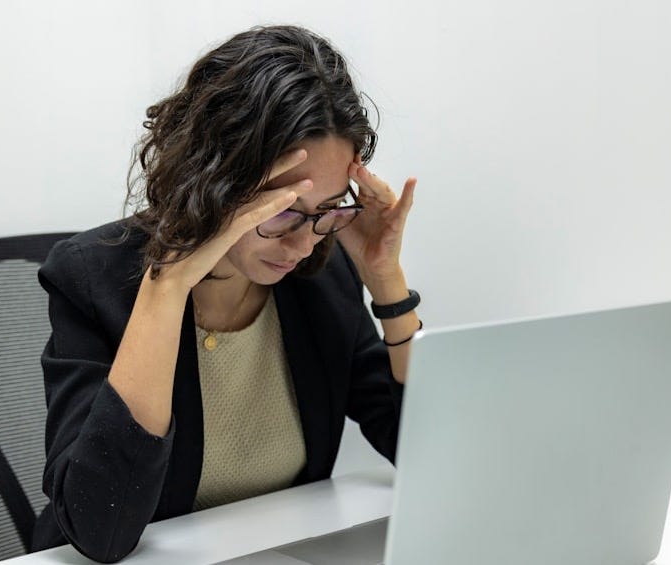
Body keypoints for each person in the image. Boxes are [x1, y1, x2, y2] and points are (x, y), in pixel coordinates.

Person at [30, 25, 421, 563]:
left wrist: (387, 284)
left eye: (328, 209)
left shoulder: (320, 278)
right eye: (281, 209)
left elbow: (429, 456)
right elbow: (102, 530)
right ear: (211, 179)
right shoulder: (92, 278)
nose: (303, 243)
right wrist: (167, 288)